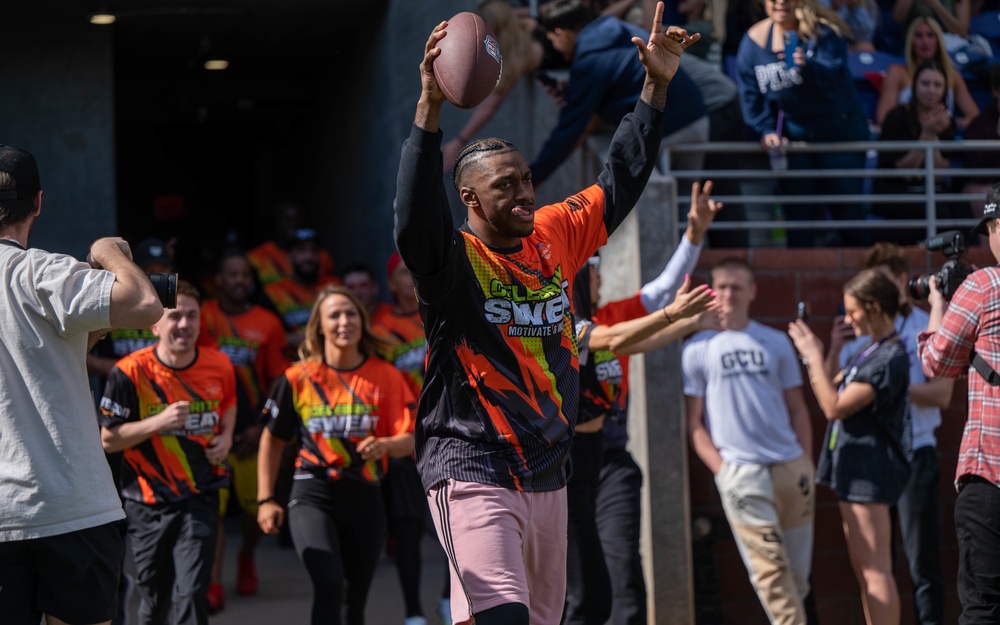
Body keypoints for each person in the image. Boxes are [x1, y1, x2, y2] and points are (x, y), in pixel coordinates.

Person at [393, 5, 700, 623]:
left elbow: (620, 180)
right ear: (470, 196)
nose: (525, 193)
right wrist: (428, 111)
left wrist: (654, 88)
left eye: (527, 180)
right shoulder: (451, 261)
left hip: (548, 470)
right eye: (505, 186)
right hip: (471, 462)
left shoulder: (553, 232)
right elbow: (413, 219)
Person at [0, 145, 163, 625]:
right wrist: (107, 253)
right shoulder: (42, 272)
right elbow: (146, 304)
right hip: (72, 506)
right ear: (39, 203)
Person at [564, 241, 716, 625]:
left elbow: (636, 340)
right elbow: (615, 339)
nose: (601, 277)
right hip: (566, 467)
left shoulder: (606, 322)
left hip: (608, 457)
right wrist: (671, 313)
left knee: (622, 569)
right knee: (582, 590)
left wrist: (691, 321)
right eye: (594, 271)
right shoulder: (563, 325)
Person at [256, 286, 416, 625]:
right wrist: (266, 498)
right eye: (334, 314)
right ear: (319, 326)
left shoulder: (386, 375)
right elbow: (273, 438)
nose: (344, 321)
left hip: (366, 496)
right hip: (313, 494)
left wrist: (386, 446)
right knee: (329, 585)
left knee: (353, 603)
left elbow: (412, 438)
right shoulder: (298, 377)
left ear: (362, 321)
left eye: (351, 313)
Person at [682, 258, 815, 625]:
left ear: (752, 292)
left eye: (736, 287)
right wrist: (724, 472)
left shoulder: (775, 341)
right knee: (771, 576)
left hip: (792, 470)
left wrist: (805, 461)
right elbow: (694, 423)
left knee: (797, 577)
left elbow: (798, 409)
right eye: (721, 286)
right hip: (742, 474)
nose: (728, 294)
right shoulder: (697, 348)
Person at [825, 243, 952, 625]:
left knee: (921, 562)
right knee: (876, 564)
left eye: (880, 283)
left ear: (901, 281)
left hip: (916, 451)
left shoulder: (923, 322)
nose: (872, 292)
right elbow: (835, 389)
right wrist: (833, 349)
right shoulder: (859, 324)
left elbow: (942, 394)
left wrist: (879, 389)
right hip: (869, 457)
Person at [99, 280, 238, 625]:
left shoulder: (219, 365)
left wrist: (227, 438)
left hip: (200, 494)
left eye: (192, 316)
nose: (185, 325)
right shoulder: (130, 371)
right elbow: (109, 439)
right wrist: (158, 422)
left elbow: (230, 404)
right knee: (155, 600)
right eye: (175, 317)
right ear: (155, 324)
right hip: (146, 501)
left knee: (191, 593)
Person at [789, 269, 911, 625]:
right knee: (865, 571)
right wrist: (833, 349)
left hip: (869, 473)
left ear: (874, 307)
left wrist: (812, 356)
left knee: (876, 571)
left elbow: (833, 406)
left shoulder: (890, 356)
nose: (847, 318)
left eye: (852, 310)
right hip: (854, 470)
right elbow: (831, 385)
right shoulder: (870, 349)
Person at [918, 182, 1000, 624]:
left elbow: (937, 361)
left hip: (992, 477)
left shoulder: (985, 283)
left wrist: (938, 304)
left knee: (984, 608)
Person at [197, 251, 290, 612]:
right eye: (231, 275)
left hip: (251, 432)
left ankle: (247, 555)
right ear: (218, 280)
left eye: (243, 276)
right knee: (214, 510)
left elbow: (275, 381)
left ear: (251, 282)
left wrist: (261, 425)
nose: (238, 281)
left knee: (253, 509)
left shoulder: (267, 322)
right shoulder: (202, 316)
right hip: (212, 429)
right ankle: (214, 582)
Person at [736, 0, 871, 247]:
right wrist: (765, 131)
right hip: (795, 136)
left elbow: (835, 74)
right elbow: (750, 96)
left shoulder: (824, 31)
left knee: (846, 210)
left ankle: (865, 277)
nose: (780, 3)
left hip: (839, 132)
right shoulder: (753, 42)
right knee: (798, 214)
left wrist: (808, 67)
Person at [532, 0, 709, 184]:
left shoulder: (591, 59)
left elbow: (570, 129)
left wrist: (534, 177)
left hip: (664, 131)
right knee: (687, 202)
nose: (554, 47)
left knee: (648, 204)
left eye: (552, 40)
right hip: (696, 119)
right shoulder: (620, 30)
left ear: (561, 33)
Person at [371, 252, 448, 625]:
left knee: (456, 524)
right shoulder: (379, 329)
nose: (411, 277)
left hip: (448, 433)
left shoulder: (439, 310)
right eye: (403, 273)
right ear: (391, 284)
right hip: (405, 437)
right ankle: (413, 612)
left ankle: (450, 598)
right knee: (407, 527)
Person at [874, 60, 960, 245]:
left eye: (938, 85)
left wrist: (933, 135)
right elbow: (905, 173)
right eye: (925, 84)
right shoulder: (896, 118)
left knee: (960, 210)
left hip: (931, 190)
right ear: (914, 86)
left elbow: (937, 176)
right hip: (895, 191)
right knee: (937, 211)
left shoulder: (947, 123)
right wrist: (926, 134)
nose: (931, 90)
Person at [876, 17, 980, 131]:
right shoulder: (896, 72)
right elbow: (884, 118)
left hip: (942, 139)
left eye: (930, 35)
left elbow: (974, 115)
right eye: (919, 36)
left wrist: (952, 125)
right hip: (908, 137)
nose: (925, 41)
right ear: (911, 41)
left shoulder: (952, 74)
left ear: (938, 40)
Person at [264, 227, 340, 352]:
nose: (308, 257)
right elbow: (264, 333)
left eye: (313, 250)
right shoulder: (273, 292)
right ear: (289, 256)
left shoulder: (335, 286)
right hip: (291, 364)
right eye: (301, 250)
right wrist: (287, 338)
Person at [247, 201, 336, 286]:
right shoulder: (257, 256)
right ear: (276, 223)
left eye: (297, 220)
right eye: (287, 220)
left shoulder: (321, 256)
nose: (293, 225)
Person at [893, 0, 971, 39]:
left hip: (947, 47)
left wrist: (936, 5)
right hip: (916, 45)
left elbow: (962, 32)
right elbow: (898, 17)